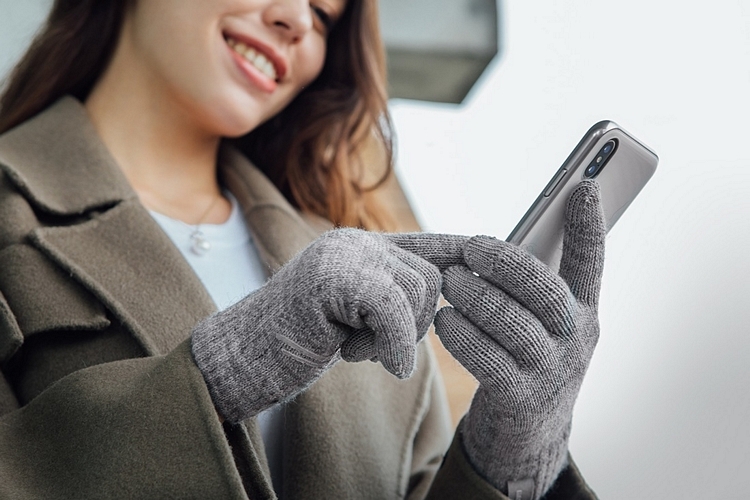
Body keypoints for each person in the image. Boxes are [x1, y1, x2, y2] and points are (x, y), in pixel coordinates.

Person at [0, 1, 605, 498]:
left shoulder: (364, 274)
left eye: (324, 15)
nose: (296, 19)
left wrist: (511, 460)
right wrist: (227, 370)